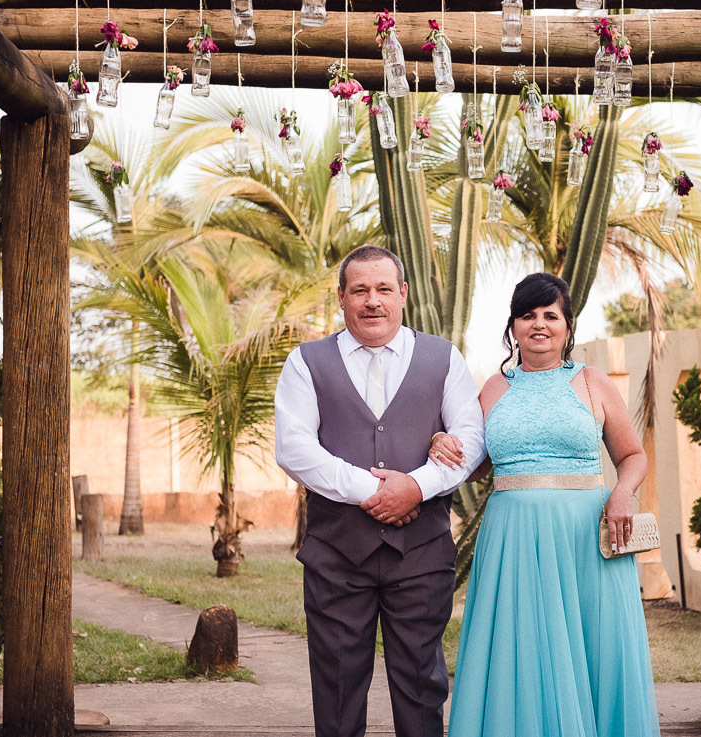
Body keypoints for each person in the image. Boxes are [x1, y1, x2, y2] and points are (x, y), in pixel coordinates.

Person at [272, 245, 485, 737]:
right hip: (337, 554)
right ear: (341, 298)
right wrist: (375, 490)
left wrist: (415, 486)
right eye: (360, 290)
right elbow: (295, 448)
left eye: (384, 289)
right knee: (338, 687)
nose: (373, 301)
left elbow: (471, 440)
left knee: (421, 684)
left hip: (422, 553)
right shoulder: (306, 363)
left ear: (403, 295)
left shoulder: (443, 358)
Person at [439, 272, 661, 737]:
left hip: (586, 538)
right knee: (520, 649)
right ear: (513, 326)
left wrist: (623, 493)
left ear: (567, 325)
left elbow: (633, 455)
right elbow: (475, 463)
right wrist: (442, 441)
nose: (539, 324)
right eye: (527, 316)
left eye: (550, 315)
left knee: (595, 648)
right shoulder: (493, 389)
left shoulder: (593, 382)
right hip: (513, 537)